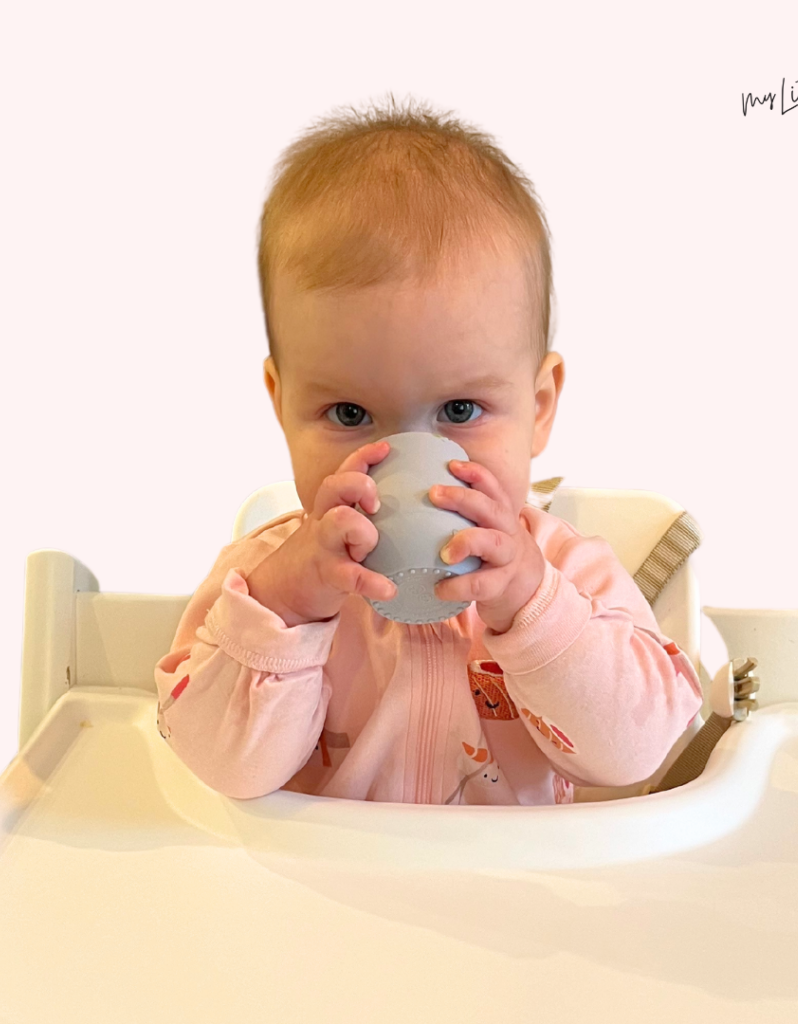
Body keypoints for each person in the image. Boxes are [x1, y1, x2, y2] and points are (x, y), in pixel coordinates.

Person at [154, 94, 702, 804]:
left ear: (538, 409)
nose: (405, 468)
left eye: (460, 411)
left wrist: (531, 606)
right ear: (281, 406)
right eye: (350, 413)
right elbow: (219, 769)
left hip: (511, 903)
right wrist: (289, 609)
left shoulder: (570, 575)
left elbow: (637, 754)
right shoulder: (258, 586)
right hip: (317, 901)